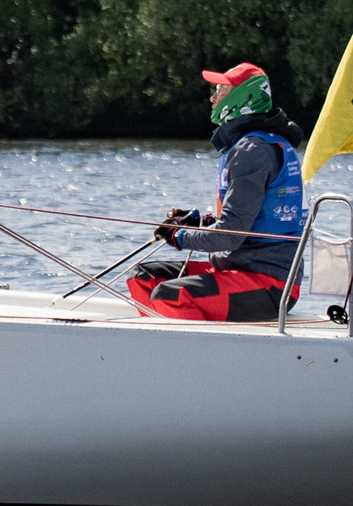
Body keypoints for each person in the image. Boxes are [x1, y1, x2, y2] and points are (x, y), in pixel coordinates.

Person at [131, 61, 310, 322]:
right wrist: (202, 222)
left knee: (170, 295)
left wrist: (179, 236)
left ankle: (192, 346)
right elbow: (246, 222)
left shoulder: (253, 150)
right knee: (143, 277)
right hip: (238, 267)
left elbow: (230, 237)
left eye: (220, 91)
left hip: (270, 283)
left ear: (242, 98)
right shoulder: (256, 144)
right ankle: (163, 338)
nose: (213, 98)